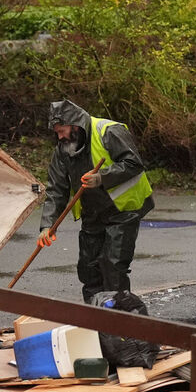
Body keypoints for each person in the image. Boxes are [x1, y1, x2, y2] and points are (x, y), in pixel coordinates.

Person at [36, 100, 154, 303]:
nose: (60, 136)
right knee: (88, 268)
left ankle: (118, 322)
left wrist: (101, 177)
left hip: (124, 209)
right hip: (93, 212)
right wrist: (47, 226)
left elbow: (133, 163)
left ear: (75, 125)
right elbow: (56, 189)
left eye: (62, 130)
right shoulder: (63, 150)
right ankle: (95, 318)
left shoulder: (108, 131)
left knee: (113, 266)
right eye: (56, 132)